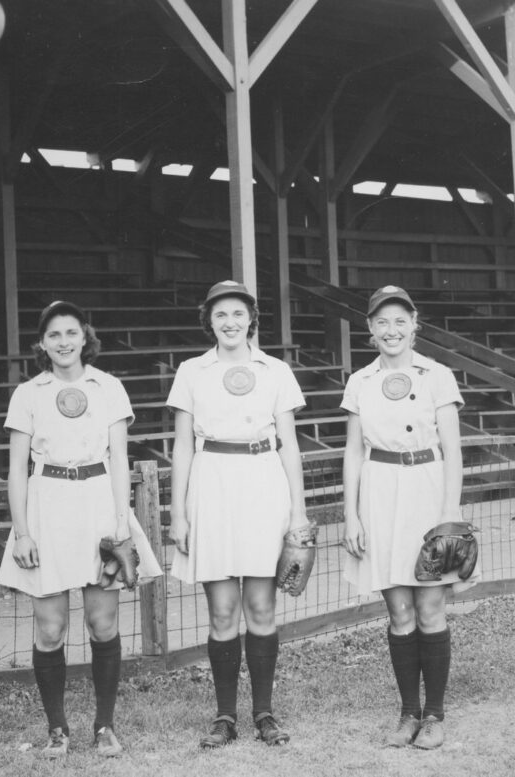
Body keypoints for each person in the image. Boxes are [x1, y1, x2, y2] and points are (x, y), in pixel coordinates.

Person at [0, 300, 162, 762]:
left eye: (71, 332)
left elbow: (119, 459)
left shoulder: (108, 386)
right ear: (42, 343)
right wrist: (22, 532)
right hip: (46, 505)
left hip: (97, 503)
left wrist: (120, 521)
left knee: (101, 622)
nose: (64, 341)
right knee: (50, 629)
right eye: (54, 334)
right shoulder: (28, 393)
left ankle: (105, 726)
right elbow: (16, 469)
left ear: (85, 337)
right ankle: (57, 729)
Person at [167, 280, 309, 748]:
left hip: (263, 482)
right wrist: (178, 513)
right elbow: (183, 446)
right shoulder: (192, 371)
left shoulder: (275, 370)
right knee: (223, 610)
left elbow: (289, 445)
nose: (230, 322)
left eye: (238, 313)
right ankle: (225, 716)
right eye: (220, 314)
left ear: (252, 319)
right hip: (212, 485)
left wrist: (298, 512)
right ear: (208, 320)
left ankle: (264, 713)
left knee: (261, 607)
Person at [341, 285, 473, 751]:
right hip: (380, 491)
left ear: (415, 325)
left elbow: (453, 449)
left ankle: (434, 714)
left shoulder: (437, 375)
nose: (391, 329)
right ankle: (408, 713)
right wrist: (351, 513)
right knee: (399, 611)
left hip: (428, 489)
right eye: (382, 321)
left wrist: (450, 512)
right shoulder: (361, 381)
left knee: (430, 608)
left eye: (400, 320)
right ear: (370, 328)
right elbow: (353, 451)